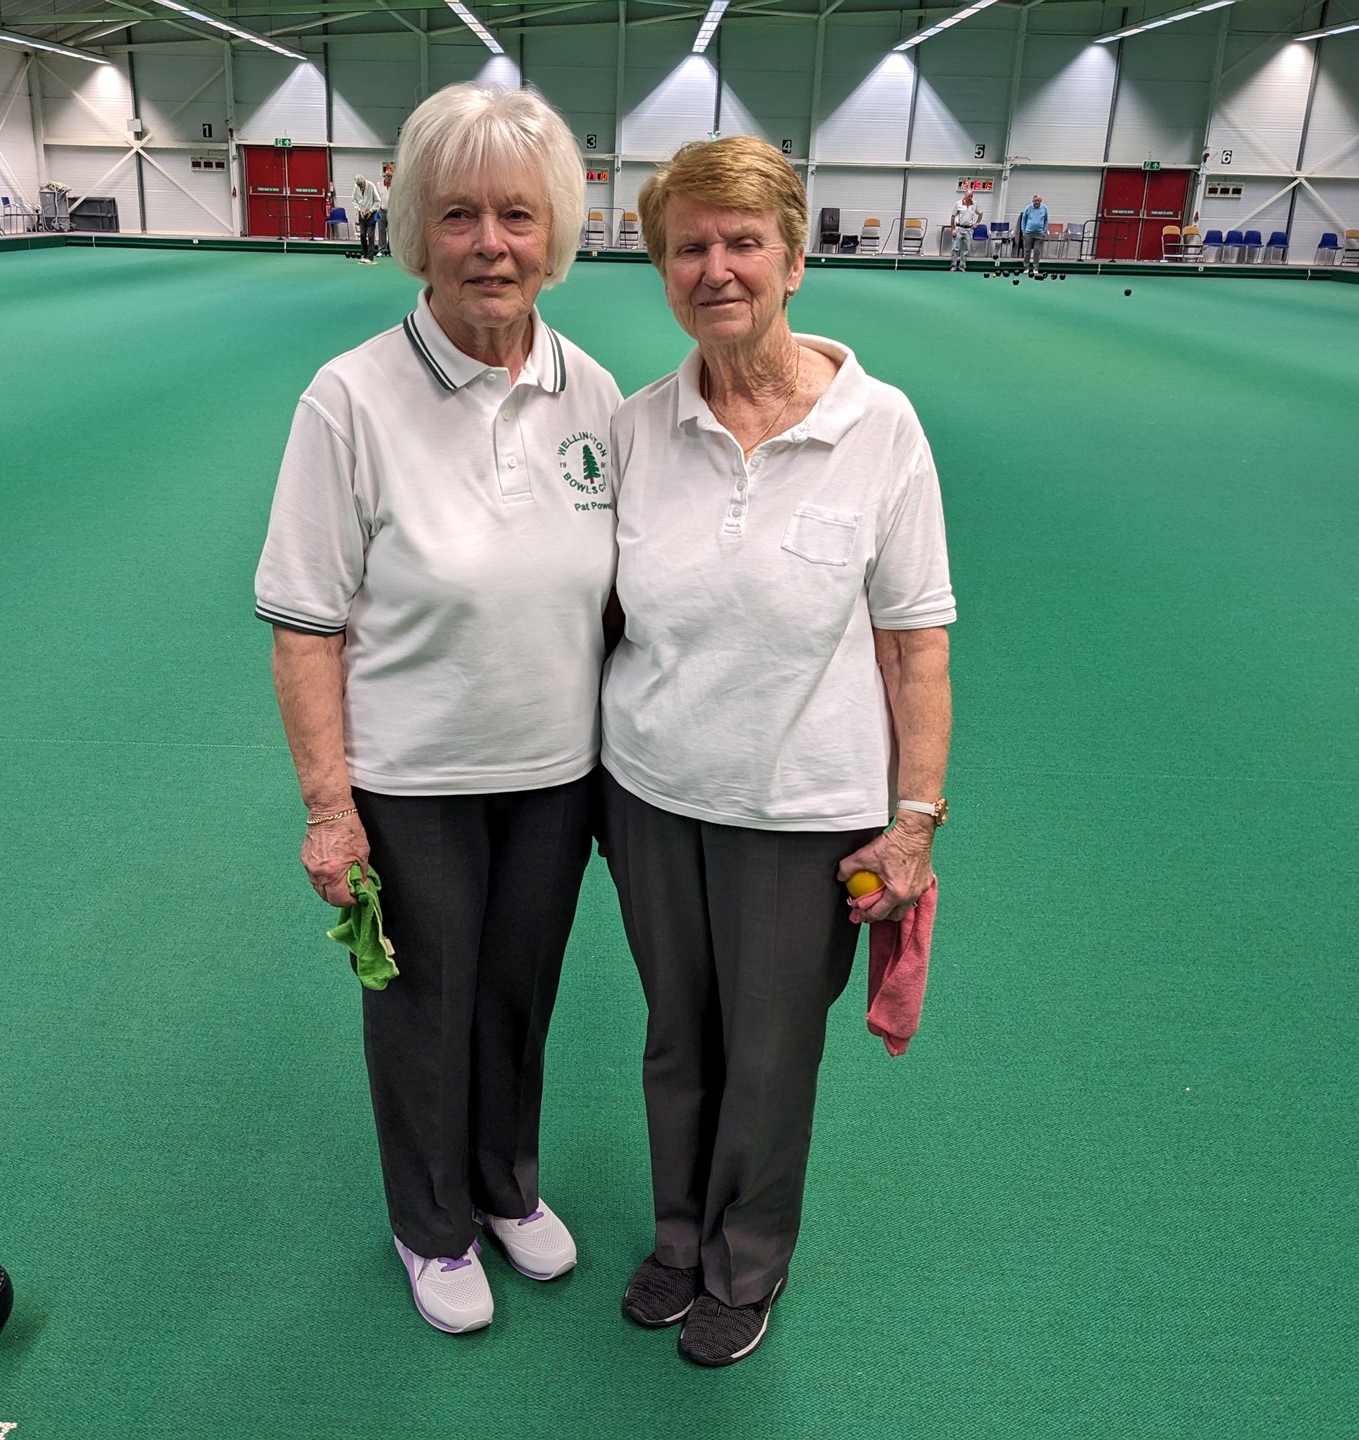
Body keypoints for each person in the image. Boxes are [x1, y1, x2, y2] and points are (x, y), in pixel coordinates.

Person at [255, 83, 622, 1336]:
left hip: (557, 773)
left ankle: (507, 1186)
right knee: (425, 1011)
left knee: (519, 998)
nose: (490, 244)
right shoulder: (348, 399)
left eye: (518, 215)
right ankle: (432, 1225)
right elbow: (305, 623)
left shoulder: (593, 393)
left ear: (555, 232)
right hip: (412, 780)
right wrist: (329, 809)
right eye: (458, 215)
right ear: (415, 230)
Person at [601, 135, 956, 1367]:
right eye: (688, 247)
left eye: (744, 242)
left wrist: (915, 820)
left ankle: (745, 1262)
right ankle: (678, 1237)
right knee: (676, 1036)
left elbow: (916, 644)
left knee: (767, 1055)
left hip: (804, 813)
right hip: (650, 796)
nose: (717, 268)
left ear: (795, 261)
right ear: (663, 272)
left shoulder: (881, 427)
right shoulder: (636, 428)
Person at [351, 171, 382, 263]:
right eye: (358, 185)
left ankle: (370, 257)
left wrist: (371, 211)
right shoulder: (356, 187)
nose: (359, 186)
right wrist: (359, 210)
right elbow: (353, 200)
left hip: (371, 214)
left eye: (360, 184)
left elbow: (378, 200)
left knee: (371, 235)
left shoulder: (371, 186)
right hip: (361, 214)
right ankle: (364, 255)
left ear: (363, 181)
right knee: (362, 235)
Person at [949, 191, 982, 271]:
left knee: (966, 249)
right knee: (955, 248)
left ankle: (962, 267)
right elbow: (953, 216)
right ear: (965, 195)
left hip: (968, 229)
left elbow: (980, 213)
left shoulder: (974, 204)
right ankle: (953, 266)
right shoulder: (958, 203)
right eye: (968, 196)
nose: (970, 198)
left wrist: (977, 223)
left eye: (971, 196)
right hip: (958, 228)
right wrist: (953, 229)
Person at [1019, 192, 1049, 276]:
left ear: (1041, 201)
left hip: (1040, 233)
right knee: (1027, 250)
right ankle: (1026, 268)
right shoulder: (1028, 208)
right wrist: (1023, 230)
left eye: (1038, 201)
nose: (1037, 202)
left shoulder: (1044, 208)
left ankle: (1035, 268)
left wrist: (1044, 230)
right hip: (1028, 232)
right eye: (1035, 201)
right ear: (1033, 201)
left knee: (1037, 251)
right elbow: (1024, 220)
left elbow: (1046, 220)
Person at [377, 162, 394, 256]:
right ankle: (381, 250)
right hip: (382, 211)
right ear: (385, 177)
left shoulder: (395, 185)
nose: (389, 179)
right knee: (381, 231)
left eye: (391, 177)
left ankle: (392, 250)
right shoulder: (379, 185)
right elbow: (377, 197)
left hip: (392, 212)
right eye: (388, 177)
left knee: (392, 232)